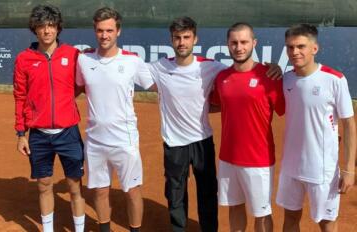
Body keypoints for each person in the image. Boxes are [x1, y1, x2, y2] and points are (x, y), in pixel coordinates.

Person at [148, 18, 282, 232]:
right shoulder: (162, 67)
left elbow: (243, 88)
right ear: (172, 40)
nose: (182, 42)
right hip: (181, 144)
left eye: (186, 37)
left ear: (195, 39)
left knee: (210, 193)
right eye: (177, 38)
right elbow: (128, 69)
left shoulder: (214, 68)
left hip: (208, 142)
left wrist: (275, 68)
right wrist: (93, 55)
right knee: (176, 193)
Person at [75, 7, 154, 232]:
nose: (104, 35)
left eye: (109, 30)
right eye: (100, 30)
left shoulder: (133, 61)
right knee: (99, 190)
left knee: (133, 190)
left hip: (125, 140)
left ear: (118, 31)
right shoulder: (83, 60)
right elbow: (76, 88)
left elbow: (157, 86)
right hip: (95, 140)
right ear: (94, 30)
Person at [276, 23, 356, 232]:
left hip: (322, 170)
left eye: (301, 46)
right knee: (290, 218)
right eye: (290, 47)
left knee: (327, 222)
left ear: (314, 48)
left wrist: (348, 169)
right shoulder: (286, 79)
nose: (295, 52)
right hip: (291, 167)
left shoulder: (335, 79)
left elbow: (349, 124)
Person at [13, 4, 85, 232]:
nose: (47, 31)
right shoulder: (24, 59)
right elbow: (20, 97)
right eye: (42, 26)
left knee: (74, 187)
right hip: (39, 136)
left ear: (58, 28)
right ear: (35, 29)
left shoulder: (73, 55)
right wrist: (21, 134)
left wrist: (62, 103)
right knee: (44, 185)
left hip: (68, 133)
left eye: (51, 25)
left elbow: (79, 86)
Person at [210, 22, 285, 232]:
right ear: (227, 45)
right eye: (234, 42)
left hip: (258, 160)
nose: (239, 47)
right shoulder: (222, 77)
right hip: (227, 158)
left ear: (254, 43)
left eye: (244, 42)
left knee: (261, 214)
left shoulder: (270, 76)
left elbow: (290, 110)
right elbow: (216, 105)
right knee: (234, 208)